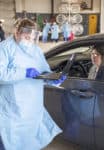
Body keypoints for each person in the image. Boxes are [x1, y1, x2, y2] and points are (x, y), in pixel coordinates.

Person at [0, 18, 66, 150]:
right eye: (26, 37)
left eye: (31, 37)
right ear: (17, 33)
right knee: (10, 141)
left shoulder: (35, 50)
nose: (29, 41)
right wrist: (24, 73)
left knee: (30, 141)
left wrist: (52, 78)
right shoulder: (4, 48)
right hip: (12, 108)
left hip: (32, 107)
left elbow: (43, 71)